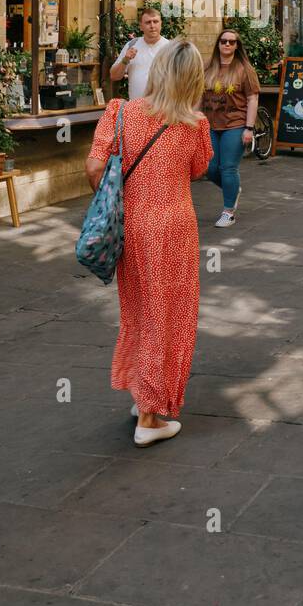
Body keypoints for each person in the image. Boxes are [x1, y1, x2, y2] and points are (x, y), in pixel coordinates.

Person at [85, 39, 213, 447]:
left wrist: (111, 194)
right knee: (168, 316)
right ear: (194, 78)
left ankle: (142, 391)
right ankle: (150, 416)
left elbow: (94, 165)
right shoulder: (195, 124)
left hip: (133, 225)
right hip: (175, 227)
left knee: (139, 311)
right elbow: (199, 170)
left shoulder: (119, 112)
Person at [201, 27, 260, 227]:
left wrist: (249, 128)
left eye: (231, 42)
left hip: (235, 124)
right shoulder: (207, 66)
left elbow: (252, 98)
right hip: (210, 124)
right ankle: (233, 189)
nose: (227, 44)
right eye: (223, 41)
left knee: (227, 168)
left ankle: (228, 212)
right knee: (208, 167)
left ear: (237, 46)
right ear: (218, 44)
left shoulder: (244, 69)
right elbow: (198, 95)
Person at [110, 6, 168, 100]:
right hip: (136, 109)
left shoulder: (170, 48)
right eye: (148, 22)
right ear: (141, 26)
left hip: (162, 110)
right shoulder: (132, 45)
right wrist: (125, 60)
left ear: (161, 24)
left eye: (155, 21)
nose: (152, 26)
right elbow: (114, 76)